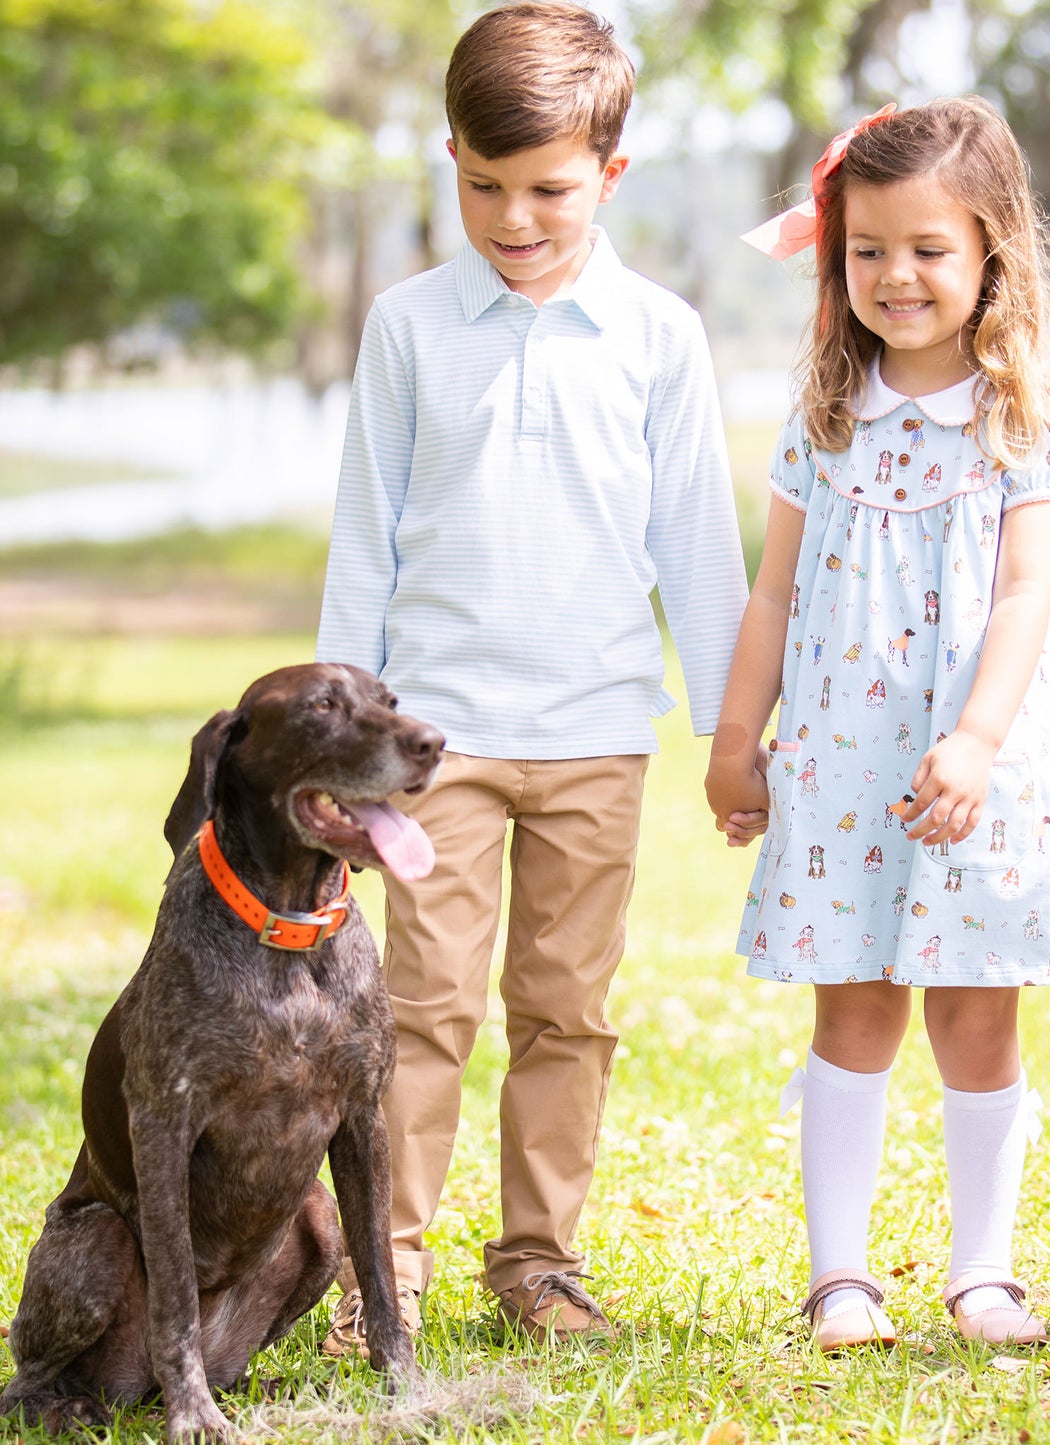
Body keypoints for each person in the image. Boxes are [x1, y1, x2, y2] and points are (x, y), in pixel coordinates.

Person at [316, 0, 747, 1349]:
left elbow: (699, 547)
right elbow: (365, 538)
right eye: (484, 184)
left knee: (567, 1010)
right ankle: (381, 1268)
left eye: (548, 189)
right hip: (427, 743)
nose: (514, 217)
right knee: (421, 1006)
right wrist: (335, 748)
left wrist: (731, 737)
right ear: (449, 155)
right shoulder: (406, 327)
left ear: (610, 177)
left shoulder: (657, 337)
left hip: (596, 736)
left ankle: (540, 1261)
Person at [706, 97, 1050, 1350]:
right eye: (867, 250)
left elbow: (1022, 592)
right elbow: (770, 589)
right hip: (841, 767)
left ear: (992, 250)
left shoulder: (1023, 418)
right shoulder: (824, 420)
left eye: (928, 249)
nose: (896, 276)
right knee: (853, 1008)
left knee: (977, 1015)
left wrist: (979, 739)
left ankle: (981, 1272)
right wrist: (734, 740)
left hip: (974, 764)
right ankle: (840, 1279)